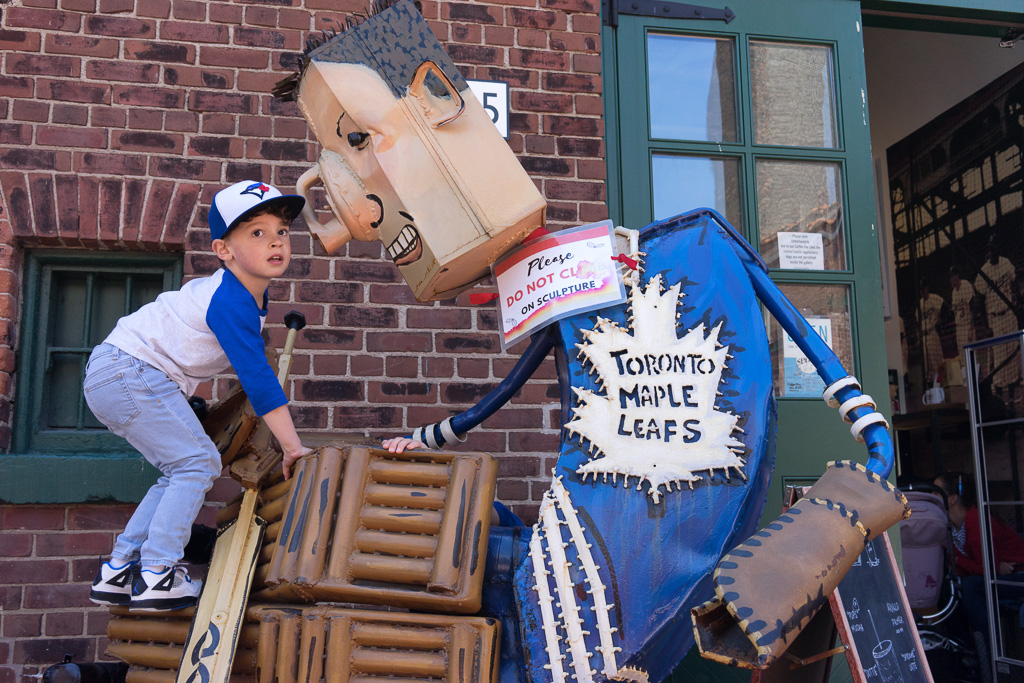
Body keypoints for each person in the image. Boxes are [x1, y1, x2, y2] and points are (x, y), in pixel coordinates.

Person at [85, 180, 313, 611]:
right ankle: (157, 572)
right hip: (129, 372)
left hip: (115, 374)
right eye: (256, 232)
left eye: (281, 231)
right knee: (196, 463)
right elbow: (260, 380)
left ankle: (120, 567)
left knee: (181, 469)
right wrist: (291, 446)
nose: (275, 241)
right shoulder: (230, 300)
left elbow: (252, 367)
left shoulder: (240, 298)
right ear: (224, 250)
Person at [934, 472, 1024, 669]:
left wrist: (958, 560)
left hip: (1018, 575)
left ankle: (991, 650)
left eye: (936, 492)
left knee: (970, 586)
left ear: (953, 499)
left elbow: (984, 571)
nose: (932, 497)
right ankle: (964, 649)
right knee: (949, 590)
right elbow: (981, 568)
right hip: (997, 576)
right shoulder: (950, 526)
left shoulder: (975, 520)